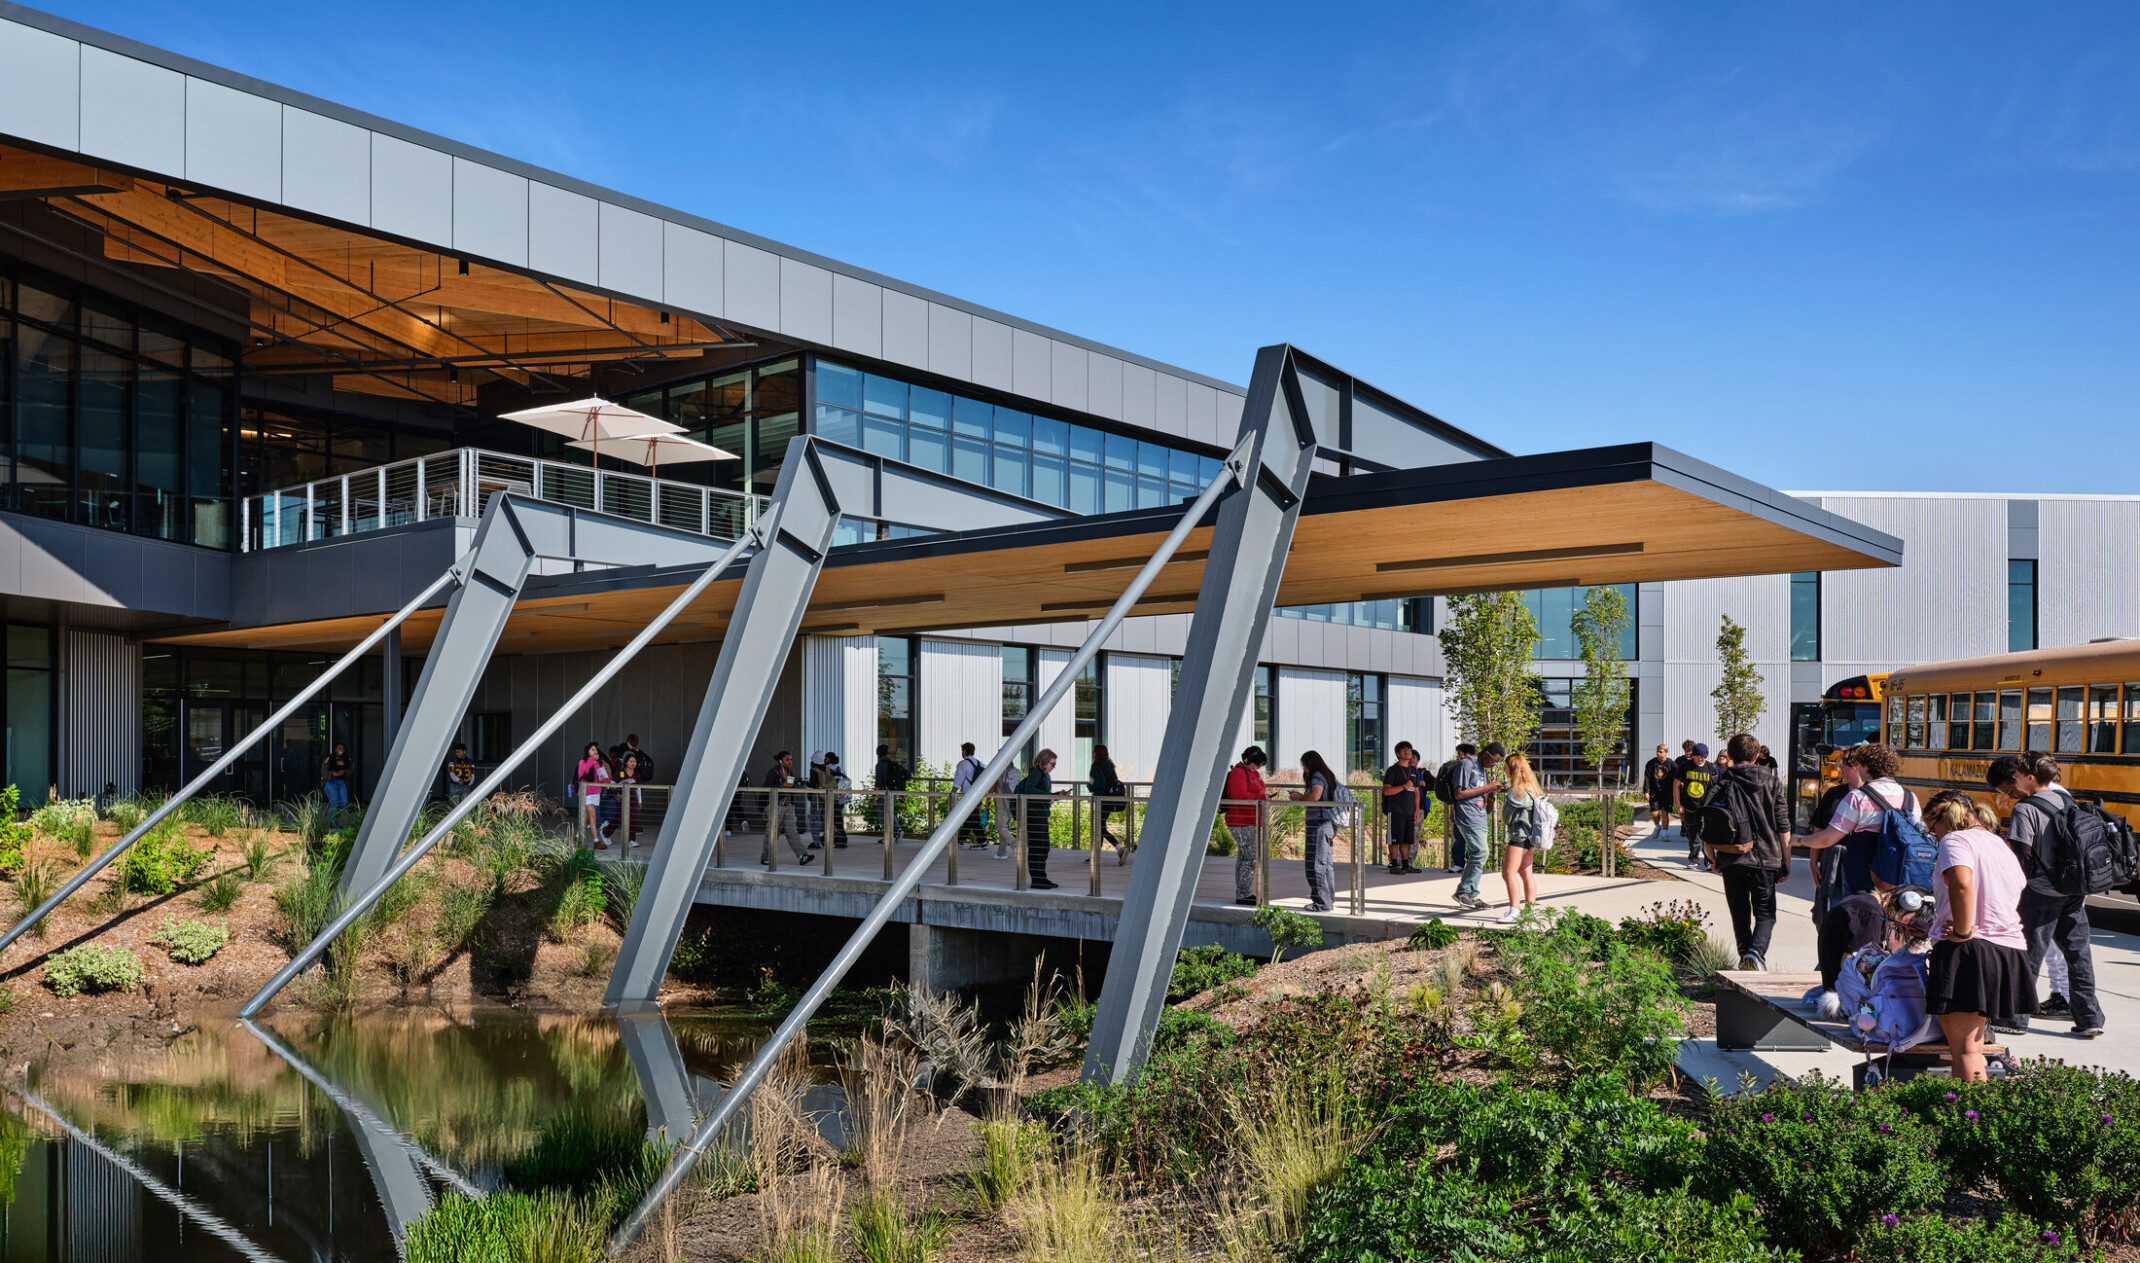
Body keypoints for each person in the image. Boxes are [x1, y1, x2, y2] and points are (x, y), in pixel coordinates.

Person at [1987, 752, 2105, 1038]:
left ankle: (2014, 1019)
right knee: (2078, 954)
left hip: (2041, 891)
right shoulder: (2065, 799)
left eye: (2017, 774)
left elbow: (2022, 855)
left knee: (2026, 954)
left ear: (2030, 776)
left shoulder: (2025, 808)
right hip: (2073, 889)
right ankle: (2089, 1018)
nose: (2013, 779)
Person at [1921, 789, 2035, 1080]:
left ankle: (1972, 1120)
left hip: (1969, 951)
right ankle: (1964, 1113)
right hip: (2007, 950)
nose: (1934, 837)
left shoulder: (1955, 839)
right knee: (1969, 1048)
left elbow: (1961, 883)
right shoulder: (1998, 844)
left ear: (1943, 817)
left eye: (1932, 829)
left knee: (1966, 1050)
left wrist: (1961, 930)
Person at [1795, 743, 1919, 894]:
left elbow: (1828, 838)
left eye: (1859, 764)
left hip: (1863, 875)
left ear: (1866, 767)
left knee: (1859, 914)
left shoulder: (1858, 797)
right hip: (1898, 873)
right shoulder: (1910, 797)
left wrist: (1799, 840)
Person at [1714, 733, 1791, 970]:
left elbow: (1709, 820)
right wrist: (1785, 859)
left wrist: (1711, 856)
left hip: (1732, 856)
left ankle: (1745, 957)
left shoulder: (1723, 781)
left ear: (1731, 756)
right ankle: (1756, 953)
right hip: (1765, 857)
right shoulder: (1772, 782)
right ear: (1757, 756)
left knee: (1740, 914)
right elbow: (1782, 823)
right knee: (1766, 914)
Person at [1450, 743, 1507, 910]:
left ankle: (1470, 894)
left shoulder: (1483, 769)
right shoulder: (1467, 764)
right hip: (1468, 815)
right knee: (1481, 852)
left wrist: (1492, 792)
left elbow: (1483, 794)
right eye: (1493, 761)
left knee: (1479, 854)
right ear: (1486, 753)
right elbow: (1459, 793)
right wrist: (1486, 787)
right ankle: (1463, 891)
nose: (1493, 765)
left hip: (1480, 816)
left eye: (1497, 763)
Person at [1291, 749, 1342, 912]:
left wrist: (1299, 796)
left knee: (1315, 864)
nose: (1304, 770)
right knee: (1325, 864)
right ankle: (1327, 900)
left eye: (1304, 766)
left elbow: (1315, 796)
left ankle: (1321, 902)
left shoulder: (1317, 777)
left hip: (1319, 824)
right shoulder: (1327, 776)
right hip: (1328, 823)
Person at [1224, 747, 1276, 905]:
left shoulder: (1254, 774)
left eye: (1260, 765)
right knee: (1251, 858)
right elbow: (1238, 794)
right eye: (1256, 763)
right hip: (1241, 821)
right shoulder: (1238, 773)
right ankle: (1244, 894)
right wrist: (1260, 797)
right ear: (1248, 760)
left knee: (1245, 858)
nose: (1258, 767)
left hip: (1251, 821)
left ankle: (1242, 893)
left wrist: (1262, 797)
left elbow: (1255, 792)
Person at [1497, 751, 1545, 923]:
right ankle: (1530, 910)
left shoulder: (1514, 792)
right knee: (1526, 873)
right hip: (1532, 837)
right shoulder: (1532, 789)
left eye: (1506, 766)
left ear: (1512, 769)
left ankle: (1514, 910)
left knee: (1508, 874)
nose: (1504, 769)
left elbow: (1506, 818)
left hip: (1518, 837)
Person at [760, 750, 814, 866]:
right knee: (773, 832)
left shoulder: (790, 772)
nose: (790, 762)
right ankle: (766, 857)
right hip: (776, 806)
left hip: (789, 806)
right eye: (787, 759)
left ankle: (802, 855)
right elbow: (767, 787)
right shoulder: (774, 772)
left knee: (792, 832)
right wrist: (781, 786)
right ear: (780, 761)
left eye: (791, 759)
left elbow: (791, 786)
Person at [1018, 748, 1062, 888]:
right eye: (1052, 763)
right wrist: (1048, 796)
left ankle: (1041, 877)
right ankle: (1037, 879)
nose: (1053, 767)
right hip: (1035, 815)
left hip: (1041, 815)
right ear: (1044, 761)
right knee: (1037, 847)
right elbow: (1029, 789)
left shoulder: (1044, 774)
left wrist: (1055, 795)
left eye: (1054, 764)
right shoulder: (1036, 772)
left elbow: (1040, 793)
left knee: (1044, 847)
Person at [1380, 741, 1424, 876]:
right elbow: (1387, 791)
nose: (1408, 752)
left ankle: (1406, 865)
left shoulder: (1413, 771)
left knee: (1406, 839)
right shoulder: (1392, 770)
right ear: (1398, 754)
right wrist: (1404, 786)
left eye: (1409, 750)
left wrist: (1416, 810)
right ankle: (1394, 864)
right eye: (1404, 750)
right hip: (1396, 810)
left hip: (1409, 811)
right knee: (1395, 839)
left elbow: (1416, 792)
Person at [1088, 743, 1131, 864]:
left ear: (1096, 754)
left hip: (1101, 800)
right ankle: (1096, 855)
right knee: (1100, 826)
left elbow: (1096, 785)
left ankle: (1119, 849)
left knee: (1100, 827)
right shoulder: (1110, 765)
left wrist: (1090, 786)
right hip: (1111, 800)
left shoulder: (1095, 766)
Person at [1675, 743, 1716, 869]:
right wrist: (1678, 804)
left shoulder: (1711, 768)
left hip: (1705, 807)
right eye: (1697, 756)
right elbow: (1676, 785)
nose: (1700, 758)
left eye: (1703, 756)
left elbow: (1716, 789)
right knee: (1692, 834)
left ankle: (1708, 860)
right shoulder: (1685, 766)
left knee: (1706, 834)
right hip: (1689, 806)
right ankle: (1694, 859)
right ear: (1693, 756)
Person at [1443, 743, 1477, 872]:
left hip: (1468, 808)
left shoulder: (1467, 766)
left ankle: (1465, 863)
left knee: (1467, 837)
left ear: (1464, 754)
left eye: (1459, 753)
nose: (1457, 756)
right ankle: (1461, 863)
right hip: (1464, 808)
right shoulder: (1476, 767)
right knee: (1462, 837)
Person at [952, 742, 990, 848]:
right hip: (977, 794)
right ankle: (961, 839)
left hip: (967, 795)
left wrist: (952, 794)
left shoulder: (963, 764)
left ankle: (981, 841)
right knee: (970, 817)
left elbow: (957, 781)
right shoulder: (980, 764)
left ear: (964, 751)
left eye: (962, 751)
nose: (961, 753)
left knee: (972, 819)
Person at [815, 751, 851, 848]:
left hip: (830, 798)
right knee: (837, 818)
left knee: (829, 819)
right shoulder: (841, 770)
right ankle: (831, 838)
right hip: (841, 798)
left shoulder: (826, 770)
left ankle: (840, 839)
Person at [575, 741, 610, 838]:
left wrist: (602, 781)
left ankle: (577, 836)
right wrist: (591, 759)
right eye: (593, 750)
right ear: (588, 752)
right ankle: (596, 840)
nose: (595, 752)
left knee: (588, 817)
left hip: (596, 793)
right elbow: (585, 770)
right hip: (586, 793)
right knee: (593, 816)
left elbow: (606, 780)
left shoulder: (599, 764)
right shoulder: (582, 762)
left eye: (596, 750)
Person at [1643, 744, 1675, 835]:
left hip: (1667, 793)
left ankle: (1665, 834)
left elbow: (1678, 776)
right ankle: (1657, 827)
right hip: (1654, 792)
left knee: (1665, 813)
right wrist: (1646, 791)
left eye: (1661, 752)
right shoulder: (1651, 763)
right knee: (1654, 813)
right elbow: (1647, 778)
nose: (1658, 753)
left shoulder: (1671, 764)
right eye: (1657, 752)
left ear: (1666, 753)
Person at [321, 742, 354, 816]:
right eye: (339, 748)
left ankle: (336, 819)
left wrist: (344, 772)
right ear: (335, 750)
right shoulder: (329, 758)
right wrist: (333, 774)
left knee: (344, 802)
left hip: (342, 782)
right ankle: (333, 824)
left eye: (343, 749)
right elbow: (324, 772)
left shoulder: (347, 760)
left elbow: (350, 771)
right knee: (334, 801)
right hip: (330, 782)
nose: (341, 750)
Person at [443, 742, 476, 807]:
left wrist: (470, 783)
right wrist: (457, 780)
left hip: (466, 786)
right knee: (454, 805)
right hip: (455, 786)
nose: (457, 754)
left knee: (466, 805)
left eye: (459, 752)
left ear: (464, 751)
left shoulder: (470, 761)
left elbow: (473, 773)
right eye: (456, 752)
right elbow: (451, 772)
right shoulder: (453, 761)